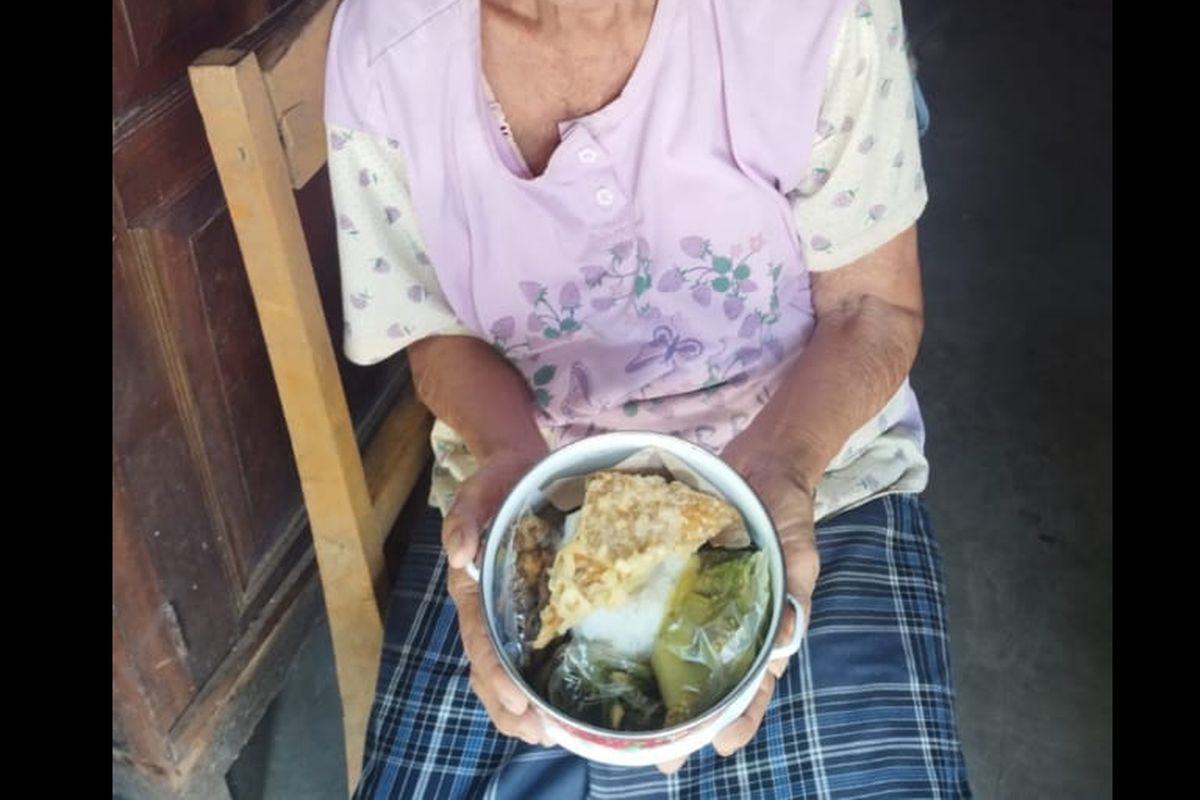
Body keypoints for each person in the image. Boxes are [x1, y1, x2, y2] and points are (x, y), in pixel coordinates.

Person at [324, 0, 971, 796]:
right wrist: (516, 466)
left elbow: (870, 310)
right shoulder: (387, 45)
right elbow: (434, 330)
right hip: (523, 491)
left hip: (815, 472)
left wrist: (779, 471)